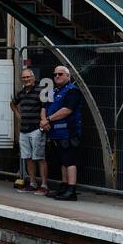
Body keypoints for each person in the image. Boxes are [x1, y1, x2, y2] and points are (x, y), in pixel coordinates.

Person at [40, 65, 84, 201]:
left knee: (70, 160)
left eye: (60, 74)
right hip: (55, 133)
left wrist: (48, 119)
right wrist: (43, 120)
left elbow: (67, 110)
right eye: (55, 74)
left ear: (67, 76)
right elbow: (45, 106)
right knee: (63, 161)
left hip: (68, 132)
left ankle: (72, 190)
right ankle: (64, 187)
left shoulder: (73, 91)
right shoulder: (54, 91)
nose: (57, 76)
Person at [11, 68, 47, 194]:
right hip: (24, 130)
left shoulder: (41, 90)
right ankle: (32, 183)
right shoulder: (21, 93)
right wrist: (18, 115)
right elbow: (12, 104)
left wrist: (43, 122)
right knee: (27, 158)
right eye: (24, 78)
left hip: (36, 130)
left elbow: (46, 107)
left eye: (28, 77)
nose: (26, 79)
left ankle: (44, 185)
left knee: (40, 157)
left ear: (33, 77)